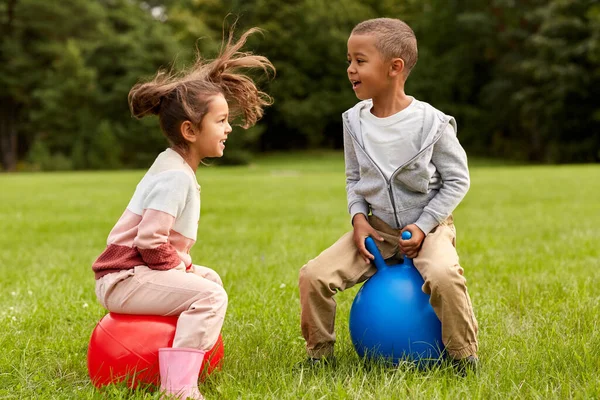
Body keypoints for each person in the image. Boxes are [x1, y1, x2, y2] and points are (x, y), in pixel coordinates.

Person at [92, 28, 274, 399]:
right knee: (209, 297)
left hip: (135, 273)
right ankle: (177, 388)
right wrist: (180, 269)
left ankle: (187, 361)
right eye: (220, 121)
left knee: (212, 281)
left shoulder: (173, 165)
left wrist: (187, 269)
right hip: (125, 279)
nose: (228, 129)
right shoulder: (175, 176)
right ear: (190, 130)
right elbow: (150, 240)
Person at [298, 18, 478, 374]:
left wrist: (425, 226)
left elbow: (457, 180)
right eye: (349, 60)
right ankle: (318, 356)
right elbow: (354, 179)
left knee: (443, 275)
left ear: (395, 68)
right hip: (376, 229)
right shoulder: (353, 122)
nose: (350, 69)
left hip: (429, 228)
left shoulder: (433, 124)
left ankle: (463, 356)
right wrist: (359, 220)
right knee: (313, 276)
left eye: (360, 61)